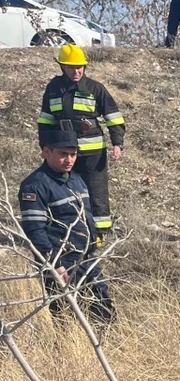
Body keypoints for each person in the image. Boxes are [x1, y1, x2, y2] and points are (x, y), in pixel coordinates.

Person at [18, 130, 115, 325]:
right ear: (46, 152)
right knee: (67, 320)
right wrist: (55, 264)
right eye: (63, 154)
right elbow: (35, 231)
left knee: (104, 313)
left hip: (86, 259)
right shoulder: (34, 186)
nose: (69, 160)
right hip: (60, 263)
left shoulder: (76, 179)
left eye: (73, 154)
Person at [36, 45, 126, 244]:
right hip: (64, 151)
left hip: (92, 151)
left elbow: (113, 117)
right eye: (71, 68)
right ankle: (71, 228)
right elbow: (45, 120)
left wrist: (117, 143)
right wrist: (45, 145)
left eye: (80, 67)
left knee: (96, 189)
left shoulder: (95, 88)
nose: (76, 71)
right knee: (66, 190)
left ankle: (98, 233)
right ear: (62, 67)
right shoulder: (53, 88)